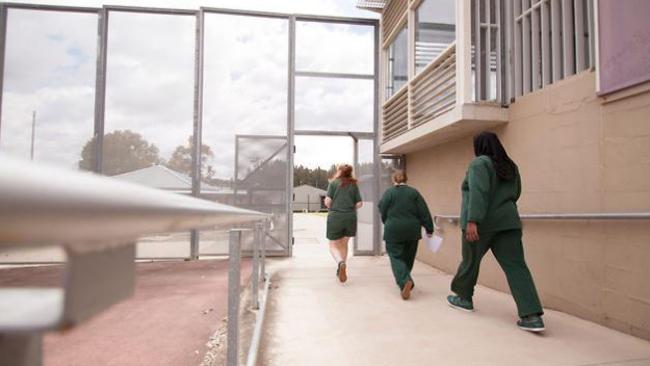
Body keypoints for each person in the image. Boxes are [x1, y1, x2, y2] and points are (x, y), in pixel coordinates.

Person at [447, 131, 545, 332]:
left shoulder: (479, 164)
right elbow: (516, 193)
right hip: (508, 224)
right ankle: (532, 316)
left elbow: (478, 192)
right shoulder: (511, 166)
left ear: (479, 146)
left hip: (480, 225)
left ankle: (463, 298)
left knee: (470, 262)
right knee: (517, 267)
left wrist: (473, 221)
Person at [378, 170, 434, 300]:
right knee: (408, 257)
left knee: (395, 256)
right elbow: (424, 211)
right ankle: (406, 279)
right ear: (406, 179)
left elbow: (382, 209)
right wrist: (429, 229)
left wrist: (387, 221)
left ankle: (404, 281)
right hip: (412, 231)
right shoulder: (414, 193)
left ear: (394, 180)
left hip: (393, 230)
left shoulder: (389, 193)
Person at [324, 164, 363, 283]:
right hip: (350, 217)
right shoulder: (353, 184)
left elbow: (327, 202)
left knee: (333, 245)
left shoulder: (333, 183)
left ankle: (340, 263)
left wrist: (334, 205)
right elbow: (359, 204)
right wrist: (349, 204)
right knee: (344, 244)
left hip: (336, 217)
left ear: (339, 171)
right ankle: (342, 266)